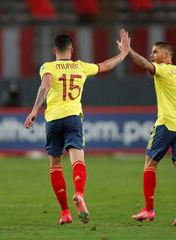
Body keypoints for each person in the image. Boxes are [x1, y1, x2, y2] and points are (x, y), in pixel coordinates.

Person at [24, 30, 130, 225]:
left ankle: (65, 212)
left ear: (54, 50)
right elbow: (105, 66)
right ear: (71, 49)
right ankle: (79, 193)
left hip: (53, 120)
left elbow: (45, 87)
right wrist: (123, 53)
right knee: (77, 159)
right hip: (73, 118)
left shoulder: (47, 66)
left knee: (55, 165)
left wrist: (34, 110)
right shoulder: (81, 66)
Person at [119, 31, 176, 226]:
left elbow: (145, 65)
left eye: (155, 52)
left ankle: (149, 209)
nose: (152, 55)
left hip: (166, 123)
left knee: (150, 163)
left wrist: (128, 51)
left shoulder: (163, 69)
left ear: (166, 55)